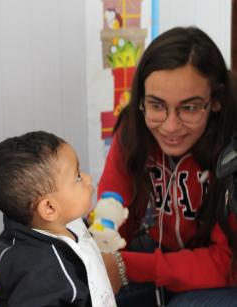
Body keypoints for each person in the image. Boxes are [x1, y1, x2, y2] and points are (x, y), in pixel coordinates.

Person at [98, 26, 237, 306]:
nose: (171, 126)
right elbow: (111, 212)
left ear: (217, 101)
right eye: (156, 105)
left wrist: (126, 266)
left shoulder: (231, 147)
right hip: (160, 250)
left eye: (190, 108)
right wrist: (102, 256)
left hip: (223, 270)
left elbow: (227, 262)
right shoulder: (133, 131)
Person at [0, 131, 116, 307]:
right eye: (77, 177)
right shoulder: (46, 276)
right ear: (50, 208)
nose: (88, 178)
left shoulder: (51, 222)